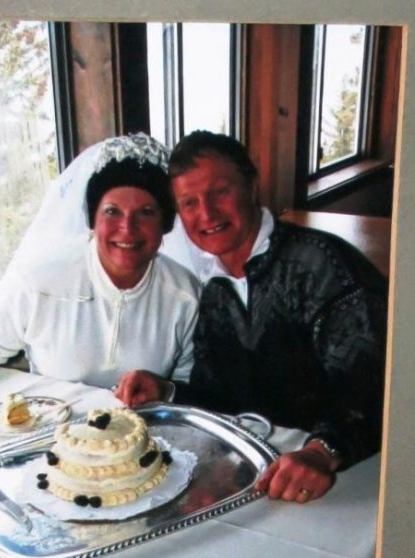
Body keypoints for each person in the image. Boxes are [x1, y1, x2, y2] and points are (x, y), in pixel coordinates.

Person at [116, 130, 388, 504]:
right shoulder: (214, 290)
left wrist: (321, 451)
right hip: (264, 474)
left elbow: (374, 388)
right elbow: (221, 397)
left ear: (252, 186)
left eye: (219, 192)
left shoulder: (322, 265)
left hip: (350, 473)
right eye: (189, 203)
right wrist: (166, 390)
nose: (207, 213)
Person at [0, 132, 200, 421]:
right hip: (47, 435)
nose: (127, 228)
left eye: (146, 212)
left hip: (143, 437)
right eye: (112, 211)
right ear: (93, 219)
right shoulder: (40, 277)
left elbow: (186, 381)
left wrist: (165, 388)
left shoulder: (185, 296)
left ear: (165, 223)